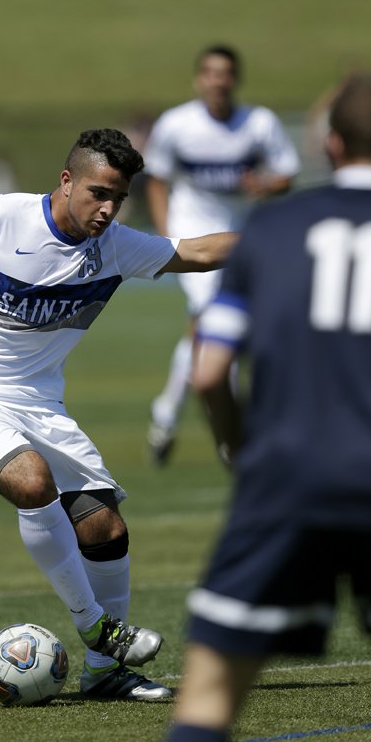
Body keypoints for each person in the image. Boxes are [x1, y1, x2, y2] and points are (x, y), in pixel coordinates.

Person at [0, 128, 236, 702]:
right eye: (98, 192)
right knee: (33, 482)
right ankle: (93, 624)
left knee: (106, 529)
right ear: (65, 180)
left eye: (118, 198)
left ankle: (107, 672)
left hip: (40, 404)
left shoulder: (116, 246)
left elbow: (199, 252)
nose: (107, 209)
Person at [154, 74, 371, 742]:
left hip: (283, 479)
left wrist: (240, 447)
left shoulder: (272, 228)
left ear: (331, 143)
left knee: (207, 699)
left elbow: (209, 371)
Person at [143, 44, 300, 465]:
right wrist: (166, 239)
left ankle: (166, 412)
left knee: (204, 329)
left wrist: (266, 186)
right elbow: (156, 181)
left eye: (225, 73)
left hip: (241, 242)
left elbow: (287, 173)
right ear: (199, 79)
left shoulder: (259, 124)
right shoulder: (177, 124)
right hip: (194, 241)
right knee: (216, 324)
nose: (218, 80)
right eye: (210, 72)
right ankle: (231, 439)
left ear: (235, 79)